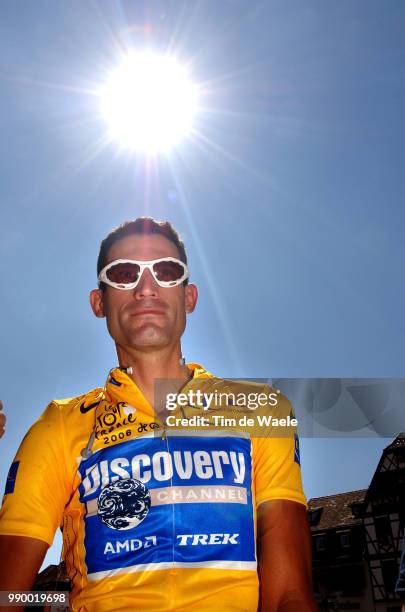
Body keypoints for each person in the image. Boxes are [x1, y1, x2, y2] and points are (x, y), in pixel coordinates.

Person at [0, 217, 317, 611]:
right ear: (99, 302)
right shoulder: (58, 427)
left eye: (167, 272)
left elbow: (289, 595)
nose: (146, 288)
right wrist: (54, 602)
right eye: (123, 273)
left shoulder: (264, 411)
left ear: (189, 297)